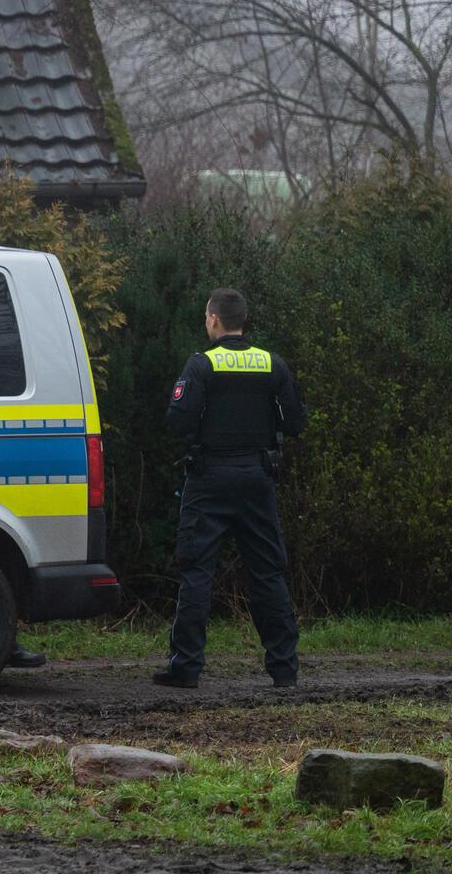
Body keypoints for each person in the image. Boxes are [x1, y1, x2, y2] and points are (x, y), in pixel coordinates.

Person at [153, 288, 307, 689]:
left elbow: (177, 420)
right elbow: (295, 423)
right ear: (243, 321)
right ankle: (284, 670)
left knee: (197, 572)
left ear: (214, 320)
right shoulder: (272, 364)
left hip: (209, 480)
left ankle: (185, 669)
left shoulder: (202, 365)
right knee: (267, 573)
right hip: (258, 479)